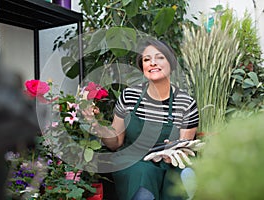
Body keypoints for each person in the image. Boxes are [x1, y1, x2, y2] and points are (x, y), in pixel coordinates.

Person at [83, 38, 199, 200]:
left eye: (159, 58)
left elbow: (184, 147)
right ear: (142, 67)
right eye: (146, 59)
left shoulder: (186, 103)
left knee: (182, 175)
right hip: (134, 160)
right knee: (143, 174)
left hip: (170, 162)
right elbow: (115, 143)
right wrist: (94, 124)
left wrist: (173, 151)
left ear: (171, 63)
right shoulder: (129, 97)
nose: (152, 63)